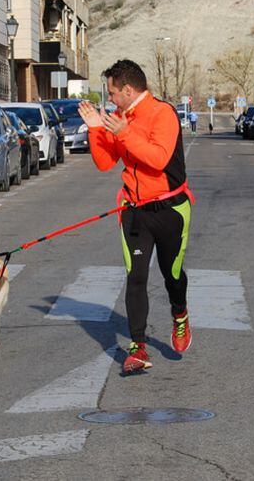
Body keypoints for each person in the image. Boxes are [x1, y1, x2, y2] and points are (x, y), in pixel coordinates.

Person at [78, 60, 194, 374]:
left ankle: (179, 313)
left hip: (170, 209)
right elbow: (104, 163)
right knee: (136, 277)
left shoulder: (162, 114)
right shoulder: (118, 118)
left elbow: (158, 159)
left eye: (113, 93)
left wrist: (126, 133)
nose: (110, 99)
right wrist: (95, 131)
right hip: (134, 211)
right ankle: (138, 347)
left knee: (172, 274)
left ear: (129, 90)